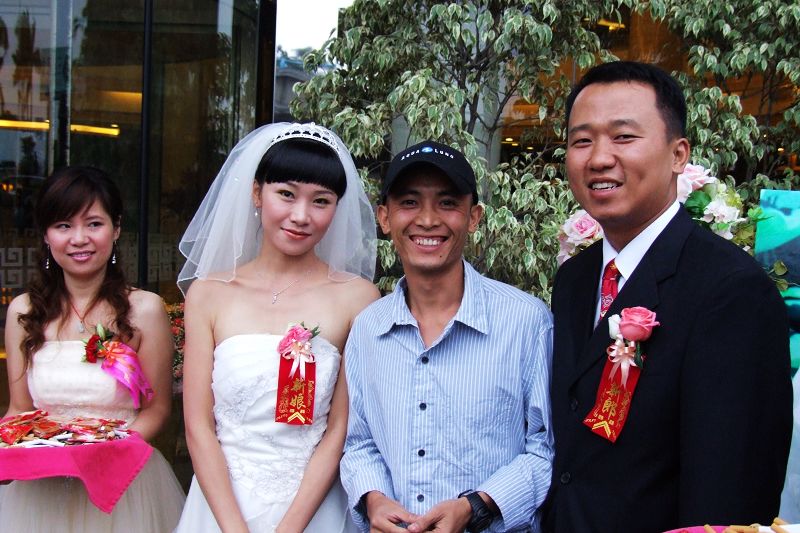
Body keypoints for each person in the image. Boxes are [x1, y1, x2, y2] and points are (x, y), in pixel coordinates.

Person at [544, 61, 792, 533]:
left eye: (623, 137)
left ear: (679, 154)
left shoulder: (731, 290)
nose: (599, 158)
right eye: (582, 141)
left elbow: (732, 489)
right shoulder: (576, 277)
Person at [174, 122, 379, 532]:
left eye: (320, 201)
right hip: (219, 506)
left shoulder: (358, 298)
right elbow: (198, 426)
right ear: (257, 193)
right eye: (286, 194)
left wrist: (289, 528)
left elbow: (340, 429)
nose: (300, 216)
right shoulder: (208, 294)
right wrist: (233, 527)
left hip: (313, 509)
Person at [341, 140, 554, 533]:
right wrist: (374, 498)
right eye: (409, 202)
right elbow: (359, 442)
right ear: (384, 217)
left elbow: (546, 449)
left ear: (473, 217)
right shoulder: (368, 329)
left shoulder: (526, 322)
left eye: (447, 203)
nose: (427, 220)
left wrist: (476, 506)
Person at [0, 166, 185, 531]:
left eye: (94, 224)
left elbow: (158, 409)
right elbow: (19, 410)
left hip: (121, 485)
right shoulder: (23, 311)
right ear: (46, 235)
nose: (79, 239)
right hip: (41, 491)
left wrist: (105, 455)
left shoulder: (145, 310)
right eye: (63, 225)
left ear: (116, 229)